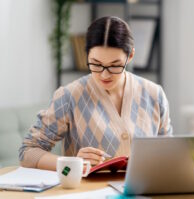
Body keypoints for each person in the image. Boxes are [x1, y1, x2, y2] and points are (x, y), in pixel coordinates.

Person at [19, 16, 172, 171]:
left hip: (143, 192)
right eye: (96, 64)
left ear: (130, 56)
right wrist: (72, 164)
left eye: (115, 65)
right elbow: (28, 152)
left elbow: (169, 154)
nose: (104, 75)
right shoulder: (69, 96)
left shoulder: (155, 94)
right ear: (87, 55)